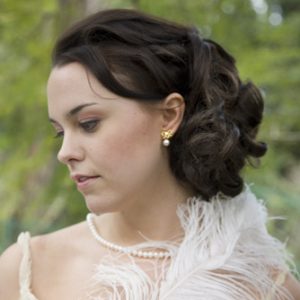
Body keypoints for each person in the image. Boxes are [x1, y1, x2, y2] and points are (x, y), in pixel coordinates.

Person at [0, 8, 299, 300]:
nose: (64, 153)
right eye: (61, 133)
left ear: (169, 115)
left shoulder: (262, 285)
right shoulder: (26, 268)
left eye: (88, 124)